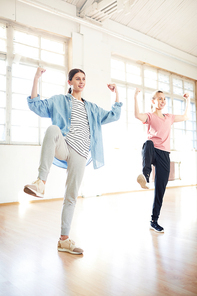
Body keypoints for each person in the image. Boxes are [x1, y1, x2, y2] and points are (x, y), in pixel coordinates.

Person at [24, 67, 122, 254]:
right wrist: (36, 78)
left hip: (81, 153)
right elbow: (36, 105)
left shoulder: (91, 107)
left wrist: (116, 93)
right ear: (70, 82)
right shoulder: (59, 100)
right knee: (53, 129)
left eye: (83, 78)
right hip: (64, 145)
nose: (81, 81)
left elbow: (113, 115)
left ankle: (64, 240)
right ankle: (40, 182)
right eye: (77, 78)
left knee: (71, 196)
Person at [134, 88, 190, 232]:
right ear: (153, 101)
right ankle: (145, 175)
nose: (162, 101)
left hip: (164, 155)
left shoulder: (169, 117)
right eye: (159, 98)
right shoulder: (150, 116)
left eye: (164, 99)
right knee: (148, 143)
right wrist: (135, 96)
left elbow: (185, 116)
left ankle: (154, 221)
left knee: (160, 190)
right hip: (152, 151)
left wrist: (188, 100)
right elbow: (136, 115)